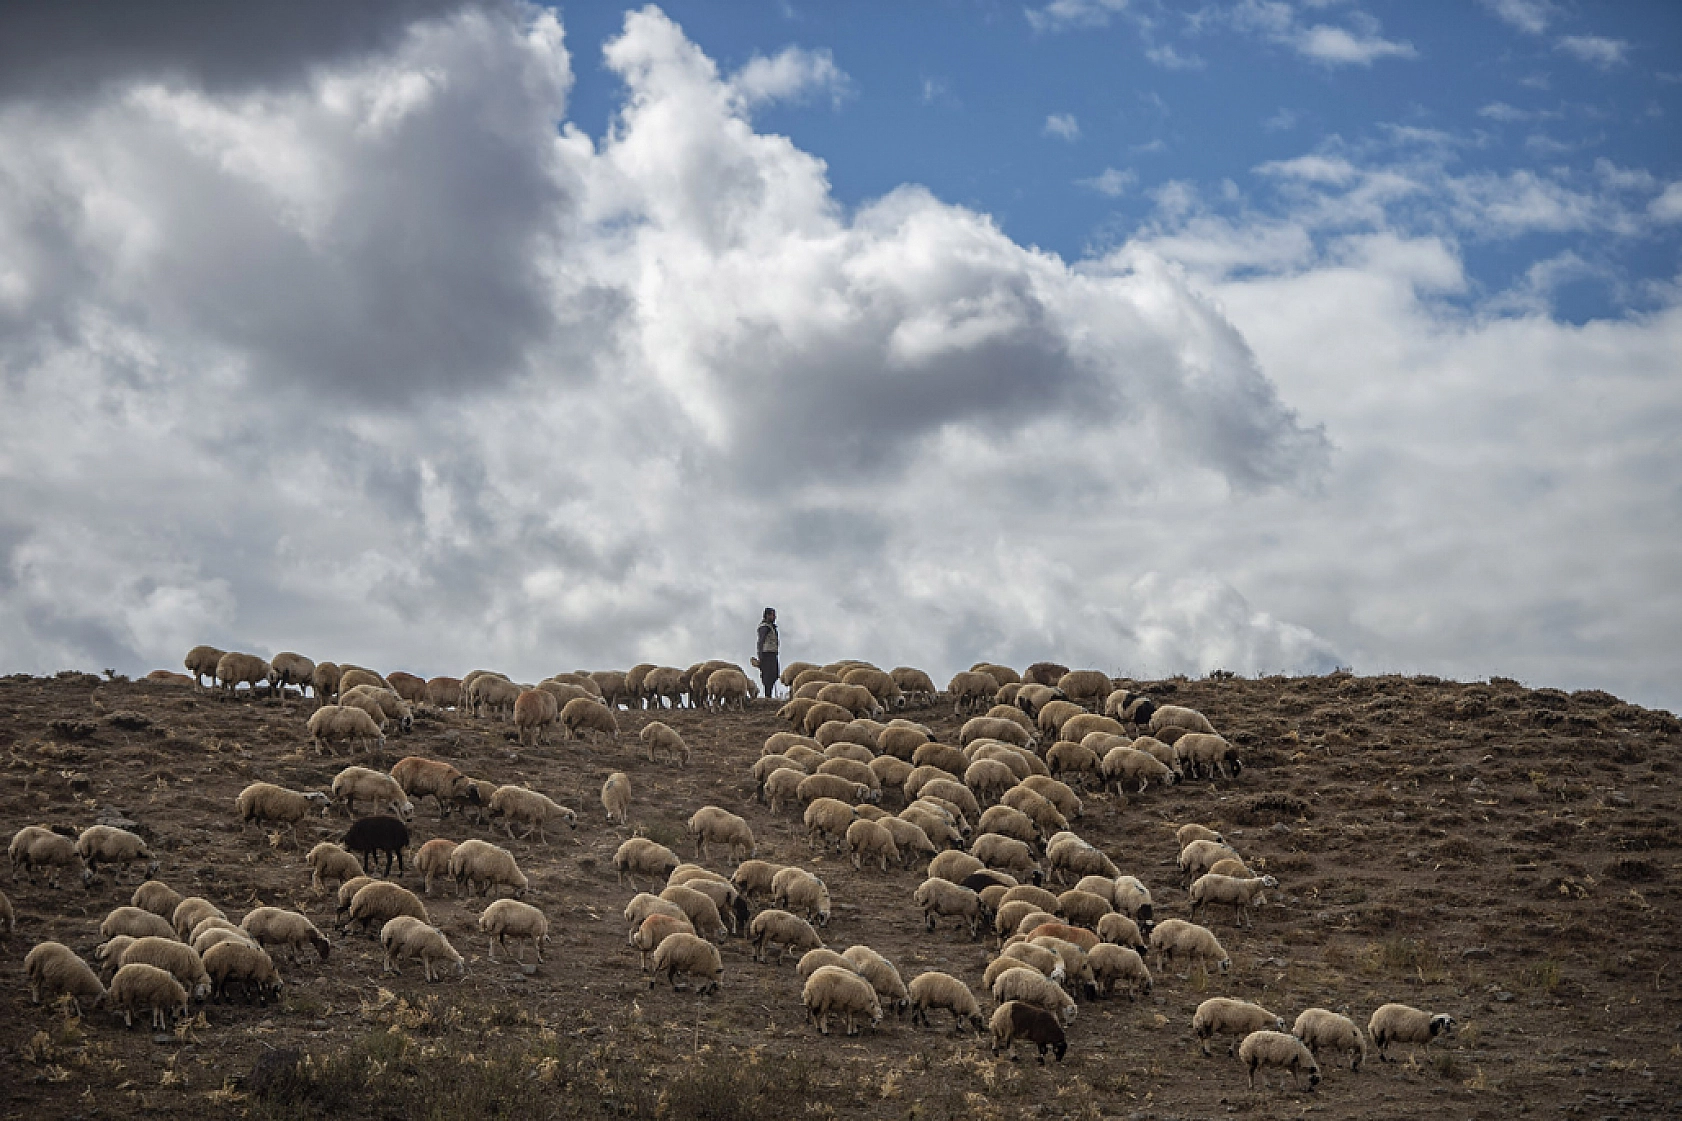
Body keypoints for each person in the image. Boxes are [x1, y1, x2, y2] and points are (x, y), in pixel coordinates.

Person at [755, 608, 779, 700]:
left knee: (774, 674)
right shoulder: (764, 627)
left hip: (772, 653)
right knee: (768, 675)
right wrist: (760, 655)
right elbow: (761, 641)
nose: (774, 617)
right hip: (766, 653)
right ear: (767, 615)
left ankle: (769, 694)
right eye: (773, 615)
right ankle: (767, 695)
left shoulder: (771, 627)